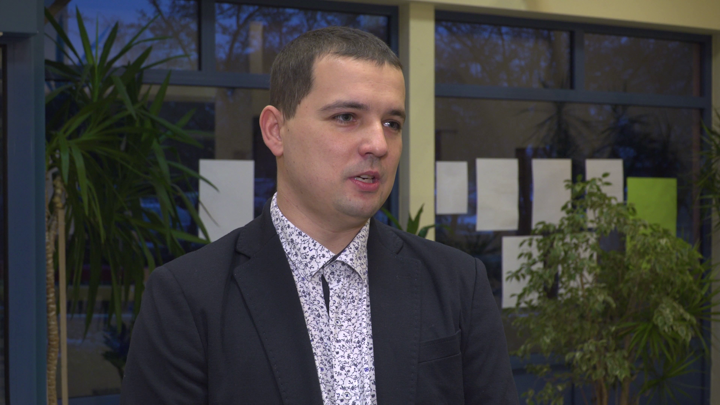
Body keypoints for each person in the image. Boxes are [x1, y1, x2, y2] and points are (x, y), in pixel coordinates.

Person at [121, 26, 518, 405]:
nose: (378, 144)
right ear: (276, 131)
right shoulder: (187, 298)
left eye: (392, 123)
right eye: (346, 117)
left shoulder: (458, 284)